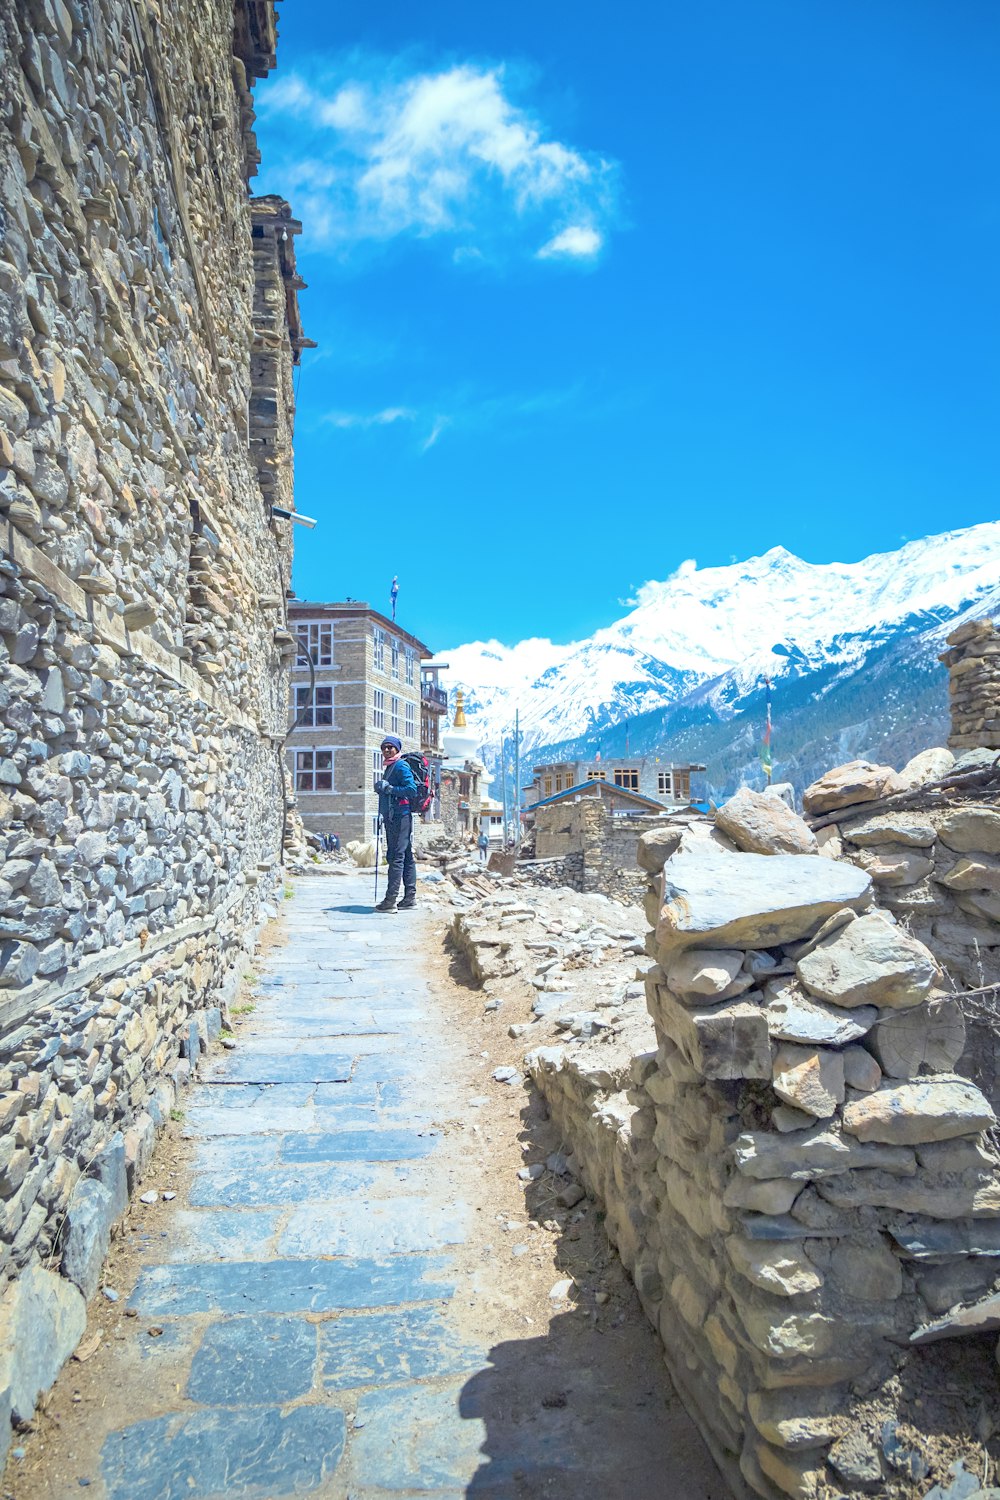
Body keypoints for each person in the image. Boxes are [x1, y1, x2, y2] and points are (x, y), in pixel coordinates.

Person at [373, 735, 418, 912]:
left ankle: (390, 900)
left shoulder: (400, 765)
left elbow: (411, 789)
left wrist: (389, 789)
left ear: (397, 749)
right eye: (384, 747)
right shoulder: (391, 766)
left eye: (390, 747)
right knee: (405, 855)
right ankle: (409, 898)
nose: (386, 750)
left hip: (400, 818)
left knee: (396, 856)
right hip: (395, 817)